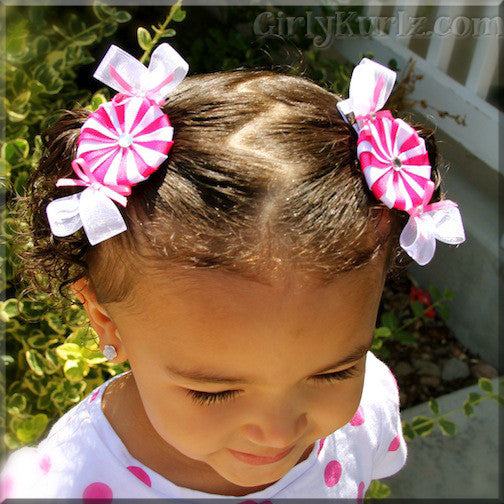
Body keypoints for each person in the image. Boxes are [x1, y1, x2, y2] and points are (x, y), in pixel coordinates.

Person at [1, 43, 465, 501]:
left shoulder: (368, 410)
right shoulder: (67, 486)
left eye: (333, 375)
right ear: (106, 321)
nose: (276, 432)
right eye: (214, 393)